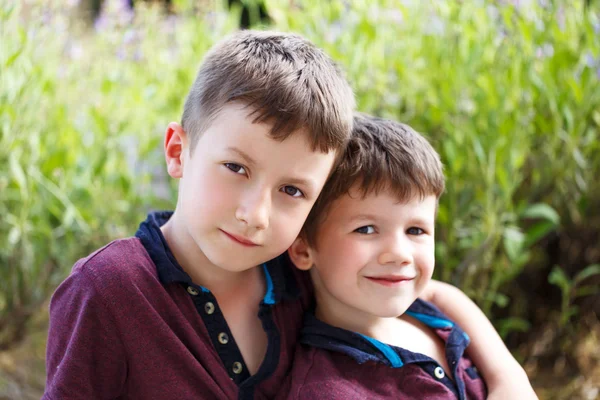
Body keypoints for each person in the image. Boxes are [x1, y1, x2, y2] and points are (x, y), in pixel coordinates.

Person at [44, 30, 534, 400]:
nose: (255, 214)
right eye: (235, 167)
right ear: (178, 150)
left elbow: (430, 292)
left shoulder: (294, 269)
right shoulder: (108, 289)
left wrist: (509, 377)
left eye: (292, 190)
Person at [282, 114, 537, 399]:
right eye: (366, 229)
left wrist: (509, 377)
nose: (400, 254)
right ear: (304, 249)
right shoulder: (330, 390)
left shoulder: (421, 312)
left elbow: (442, 294)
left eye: (416, 230)